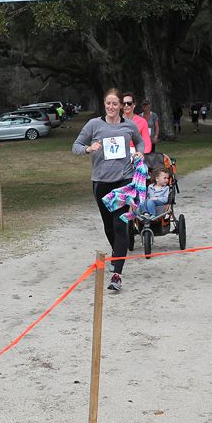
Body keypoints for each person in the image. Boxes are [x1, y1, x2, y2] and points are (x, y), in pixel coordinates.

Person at [73, 88, 144, 291]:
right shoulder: (94, 124)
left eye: (115, 104)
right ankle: (117, 251)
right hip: (101, 181)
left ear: (122, 105)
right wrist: (88, 149)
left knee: (120, 224)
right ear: (104, 105)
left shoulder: (129, 125)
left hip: (124, 180)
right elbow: (76, 146)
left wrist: (139, 153)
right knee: (109, 225)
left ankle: (117, 274)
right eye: (108, 103)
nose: (111, 107)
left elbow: (140, 142)